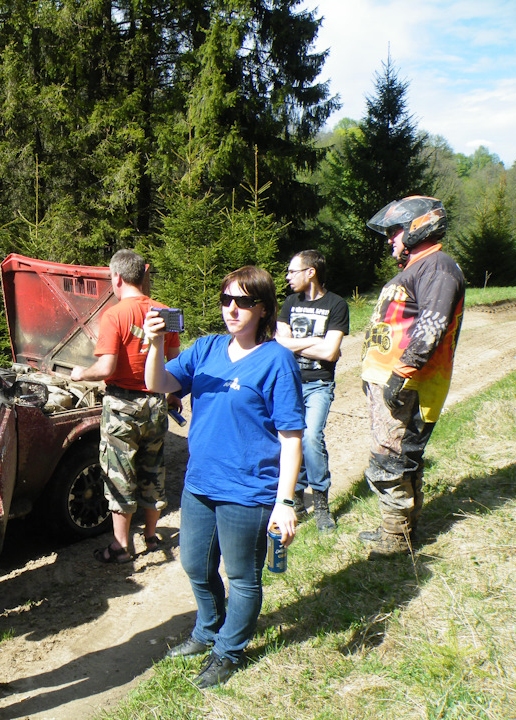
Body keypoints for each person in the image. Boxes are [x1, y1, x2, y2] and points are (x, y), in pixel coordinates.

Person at [143, 266, 304, 689]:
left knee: (242, 577)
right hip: (200, 483)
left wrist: (285, 502)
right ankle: (207, 630)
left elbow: (291, 438)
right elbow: (158, 383)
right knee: (196, 565)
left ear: (263, 308)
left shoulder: (277, 361)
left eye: (244, 302)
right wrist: (155, 344)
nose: (232, 309)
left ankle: (229, 651)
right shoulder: (206, 348)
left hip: (249, 490)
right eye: (226, 300)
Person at [360, 196, 465, 555]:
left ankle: (395, 536)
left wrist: (401, 373)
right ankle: (401, 530)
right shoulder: (417, 267)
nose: (390, 239)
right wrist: (371, 370)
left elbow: (432, 325)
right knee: (398, 455)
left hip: (410, 382)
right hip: (390, 377)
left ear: (416, 228)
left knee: (390, 457)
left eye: (395, 231)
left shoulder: (437, 266)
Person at [69, 249, 180, 563]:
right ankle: (151, 536)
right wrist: (173, 395)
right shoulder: (165, 312)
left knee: (120, 473)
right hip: (155, 404)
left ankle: (120, 547)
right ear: (143, 274)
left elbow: (106, 368)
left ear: (116, 277)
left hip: (122, 407)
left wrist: (80, 374)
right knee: (152, 467)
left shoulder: (114, 315)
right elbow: (175, 362)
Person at [276, 250, 349, 532]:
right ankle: (295, 499)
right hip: (289, 384)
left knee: (310, 437)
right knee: (290, 439)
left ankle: (321, 506)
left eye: (292, 271)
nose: (287, 277)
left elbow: (330, 353)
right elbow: (280, 343)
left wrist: (296, 343)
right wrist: (317, 341)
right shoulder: (290, 303)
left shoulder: (336, 304)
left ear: (311, 272)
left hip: (318, 384)